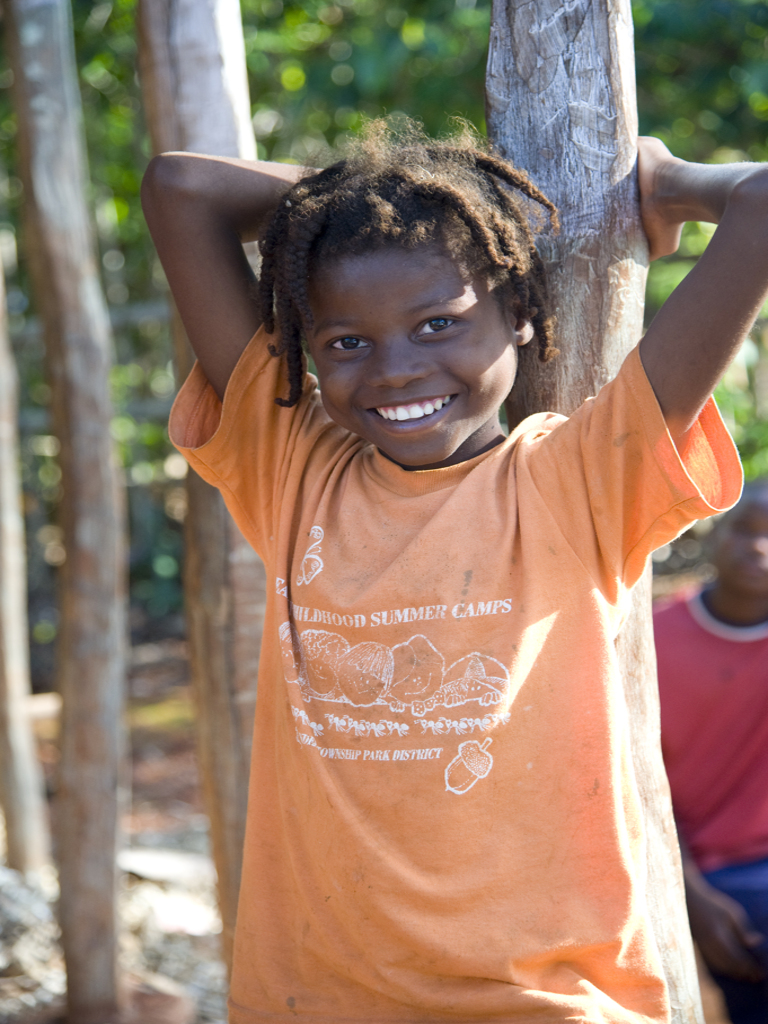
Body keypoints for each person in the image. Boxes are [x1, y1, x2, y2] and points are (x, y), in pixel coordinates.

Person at [141, 120, 768, 1024]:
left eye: (439, 323)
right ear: (306, 351)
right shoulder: (289, 471)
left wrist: (662, 186)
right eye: (344, 342)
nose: (396, 371)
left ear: (518, 309)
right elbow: (179, 190)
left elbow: (755, 200)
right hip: (312, 998)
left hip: (544, 1002)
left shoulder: (581, 479)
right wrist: (400, 199)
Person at [655, 482, 768, 1024]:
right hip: (697, 868)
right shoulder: (653, 639)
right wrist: (690, 895)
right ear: (715, 531)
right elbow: (632, 787)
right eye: (747, 528)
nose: (761, 548)